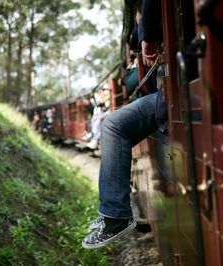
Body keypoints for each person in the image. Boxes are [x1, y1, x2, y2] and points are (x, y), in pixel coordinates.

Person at [82, 0, 165, 249]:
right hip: (168, 90)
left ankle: (116, 215)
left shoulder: (148, 26)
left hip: (173, 91)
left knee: (112, 125)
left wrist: (145, 34)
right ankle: (111, 213)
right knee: (110, 123)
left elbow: (138, 33)